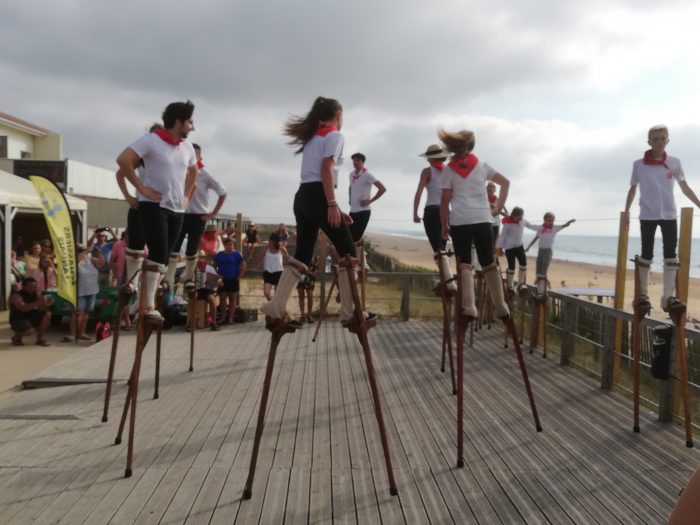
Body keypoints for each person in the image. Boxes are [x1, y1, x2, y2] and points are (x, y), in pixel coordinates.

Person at [261, 96, 372, 329]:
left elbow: (315, 176)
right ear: (337, 115)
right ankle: (350, 312)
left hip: (303, 197)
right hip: (319, 196)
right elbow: (326, 169)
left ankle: (276, 307)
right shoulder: (335, 136)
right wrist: (332, 204)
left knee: (301, 254)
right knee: (349, 253)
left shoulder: (312, 138)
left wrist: (336, 208)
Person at [116, 101, 198, 319]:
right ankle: (146, 306)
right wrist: (140, 189)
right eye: (190, 121)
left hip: (176, 209)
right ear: (178, 122)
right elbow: (123, 160)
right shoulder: (151, 141)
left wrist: (187, 195)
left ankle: (146, 298)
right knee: (155, 252)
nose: (193, 126)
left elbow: (193, 172)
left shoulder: (187, 147)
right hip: (152, 205)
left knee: (165, 256)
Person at [623, 125, 700, 313]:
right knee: (646, 253)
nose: (659, 141)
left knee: (670, 254)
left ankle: (668, 298)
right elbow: (633, 188)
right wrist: (626, 212)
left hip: (669, 214)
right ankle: (643, 295)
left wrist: (699, 204)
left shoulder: (674, 162)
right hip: (648, 214)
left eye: (662, 138)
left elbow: (684, 187)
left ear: (667, 141)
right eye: (655, 138)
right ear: (649, 141)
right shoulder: (638, 164)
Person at [438, 128, 510, 319]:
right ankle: (501, 307)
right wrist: (497, 208)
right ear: (471, 146)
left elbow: (444, 201)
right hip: (482, 220)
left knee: (465, 264)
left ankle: (469, 307)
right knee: (488, 263)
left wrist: (444, 225)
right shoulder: (482, 166)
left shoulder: (448, 170)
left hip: (460, 221)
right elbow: (506, 183)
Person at [172, 143, 227, 288]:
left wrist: (213, 213)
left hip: (199, 215)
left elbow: (223, 192)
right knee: (175, 245)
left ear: (199, 156)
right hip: (181, 212)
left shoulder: (206, 174)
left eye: (193, 154)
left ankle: (189, 277)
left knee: (192, 246)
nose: (190, 157)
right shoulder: (180, 170)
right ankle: (169, 275)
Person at [413, 143, 457, 292]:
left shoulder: (427, 171)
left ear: (429, 158)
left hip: (431, 211)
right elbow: (453, 195)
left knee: (438, 250)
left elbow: (418, 193)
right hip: (447, 212)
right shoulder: (449, 172)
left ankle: (447, 281)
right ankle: (445, 278)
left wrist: (415, 213)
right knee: (443, 248)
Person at [525, 213, 575, 297]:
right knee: (538, 269)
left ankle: (542, 289)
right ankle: (539, 287)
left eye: (552, 220)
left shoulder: (555, 228)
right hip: (540, 251)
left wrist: (569, 222)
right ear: (545, 220)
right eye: (549, 220)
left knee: (544, 270)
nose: (551, 222)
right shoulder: (540, 228)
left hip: (548, 251)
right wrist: (528, 247)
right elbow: (535, 236)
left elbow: (564, 225)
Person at [65, 244, 105, 342]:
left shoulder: (89, 259)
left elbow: (101, 264)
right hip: (80, 291)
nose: (83, 250)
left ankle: (81, 333)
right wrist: (87, 251)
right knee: (78, 313)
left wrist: (100, 253)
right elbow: (75, 262)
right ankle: (73, 334)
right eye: (81, 249)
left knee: (87, 312)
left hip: (92, 289)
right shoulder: (74, 259)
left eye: (83, 249)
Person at [347, 152, 386, 243]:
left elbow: (382, 189)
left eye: (358, 160)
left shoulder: (367, 175)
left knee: (354, 239)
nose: (355, 162)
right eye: (354, 160)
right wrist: (350, 199)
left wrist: (370, 201)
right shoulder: (351, 174)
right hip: (352, 211)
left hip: (363, 212)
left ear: (363, 162)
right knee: (347, 237)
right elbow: (351, 186)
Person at [495, 207, 530, 294]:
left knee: (524, 265)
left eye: (521, 217)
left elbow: (532, 226)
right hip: (509, 248)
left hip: (519, 246)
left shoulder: (523, 221)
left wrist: (545, 227)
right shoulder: (507, 224)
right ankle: (510, 286)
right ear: (513, 215)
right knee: (512, 267)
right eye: (518, 217)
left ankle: (520, 284)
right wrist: (499, 247)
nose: (520, 219)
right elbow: (502, 236)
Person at [9, 277, 52, 346]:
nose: (32, 289)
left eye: (34, 287)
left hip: (30, 316)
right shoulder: (16, 296)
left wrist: (47, 304)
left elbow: (41, 309)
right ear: (23, 287)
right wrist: (38, 303)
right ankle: (17, 336)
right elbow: (22, 307)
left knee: (48, 314)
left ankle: (40, 339)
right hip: (18, 319)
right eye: (30, 287)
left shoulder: (37, 294)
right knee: (29, 331)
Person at [214, 236, 246, 325]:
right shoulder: (219, 255)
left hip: (233, 279)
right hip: (222, 280)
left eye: (231, 245)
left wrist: (239, 277)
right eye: (228, 245)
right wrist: (216, 276)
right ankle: (223, 317)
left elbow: (243, 265)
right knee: (222, 299)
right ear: (224, 245)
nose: (230, 246)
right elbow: (214, 265)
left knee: (232, 298)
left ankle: (231, 319)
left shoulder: (237, 254)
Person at [195, 251, 221, 331]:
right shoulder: (192, 267)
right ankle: (191, 322)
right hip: (196, 289)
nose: (200, 259)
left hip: (207, 290)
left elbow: (218, 279)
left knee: (212, 299)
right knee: (193, 299)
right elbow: (183, 277)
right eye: (199, 257)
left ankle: (213, 322)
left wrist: (219, 283)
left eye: (202, 257)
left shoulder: (209, 268)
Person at [257, 232, 288, 301]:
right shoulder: (266, 248)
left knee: (277, 295)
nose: (270, 242)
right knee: (266, 293)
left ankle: (275, 308)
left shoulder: (281, 249)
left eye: (272, 241)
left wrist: (285, 253)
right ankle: (273, 305)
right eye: (270, 240)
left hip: (279, 273)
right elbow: (260, 257)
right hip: (268, 273)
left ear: (276, 241)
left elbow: (287, 259)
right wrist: (258, 263)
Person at [297, 255, 319, 323]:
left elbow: (317, 272)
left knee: (310, 297)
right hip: (300, 278)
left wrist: (308, 272)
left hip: (310, 280)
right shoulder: (300, 257)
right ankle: (302, 315)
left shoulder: (316, 258)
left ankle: (309, 315)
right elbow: (297, 269)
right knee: (301, 296)